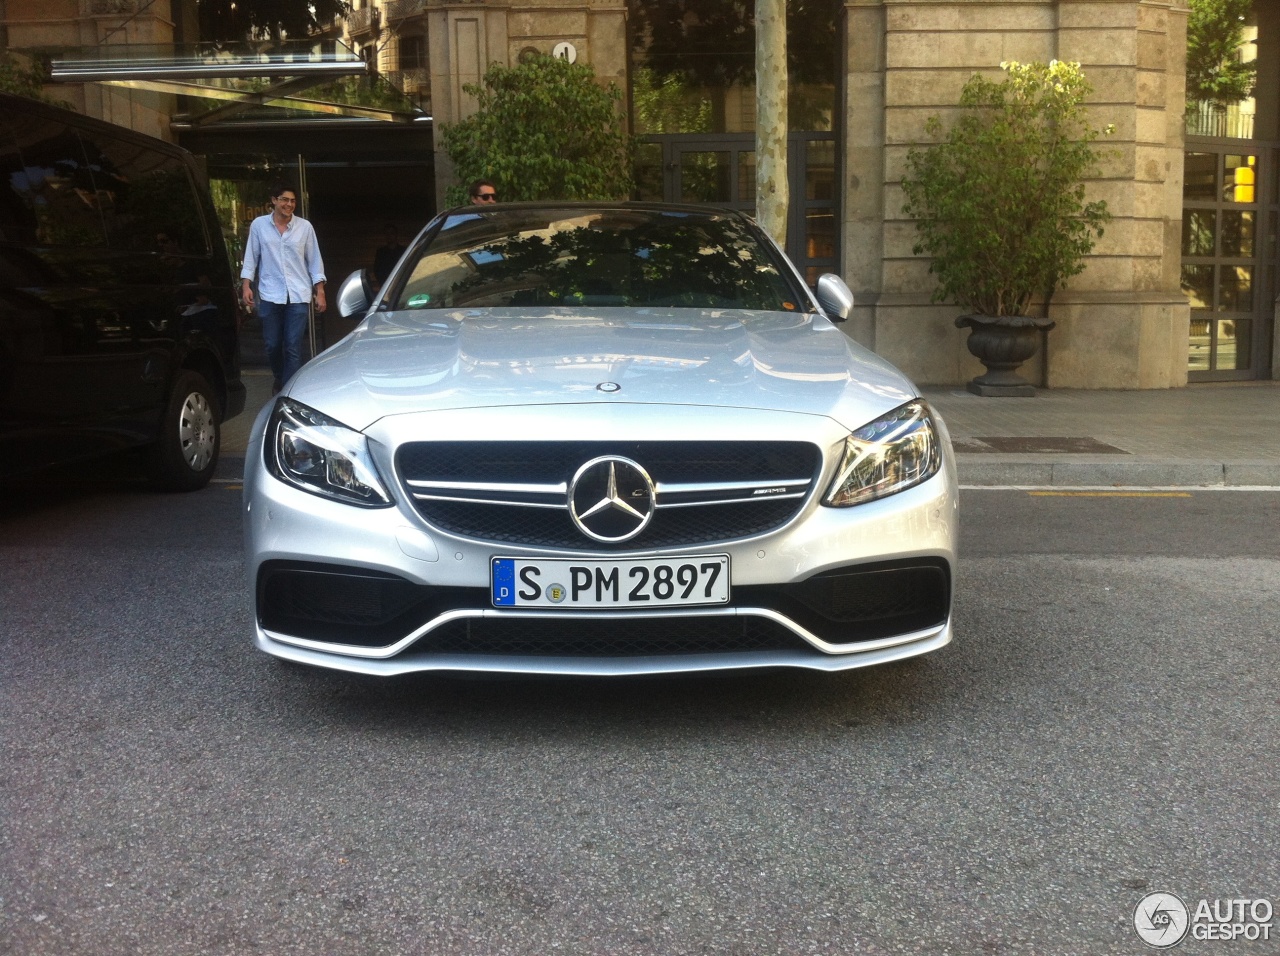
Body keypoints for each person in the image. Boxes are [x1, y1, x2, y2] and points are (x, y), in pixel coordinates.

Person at [240, 182, 326, 394]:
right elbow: (251, 257)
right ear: (274, 201)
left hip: (298, 295)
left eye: (293, 201)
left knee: (292, 346)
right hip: (270, 294)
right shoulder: (259, 225)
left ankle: (287, 391)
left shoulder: (305, 227)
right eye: (285, 200)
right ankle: (280, 377)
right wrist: (246, 285)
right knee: (272, 344)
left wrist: (320, 291)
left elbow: (314, 260)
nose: (289, 204)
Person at [371, 223, 405, 290]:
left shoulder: (403, 251)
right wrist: (383, 283)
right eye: (387, 234)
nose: (389, 236)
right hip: (385, 286)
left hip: (401, 286)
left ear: (396, 235)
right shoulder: (381, 252)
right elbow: (377, 270)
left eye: (392, 233)